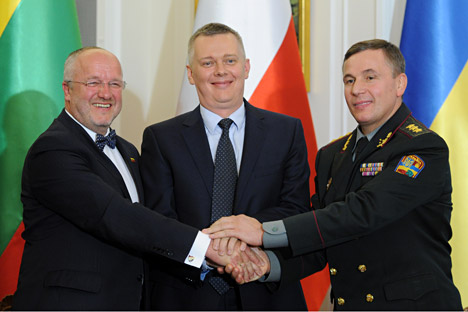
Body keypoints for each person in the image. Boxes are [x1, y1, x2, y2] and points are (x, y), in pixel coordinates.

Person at [206, 39, 463, 310]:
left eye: (370, 77)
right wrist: (269, 265)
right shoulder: (332, 155)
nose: (357, 89)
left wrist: (264, 232)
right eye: (349, 80)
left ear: (400, 84)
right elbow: (320, 240)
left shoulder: (422, 147)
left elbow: (364, 211)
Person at [12, 47, 259, 311]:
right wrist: (205, 246)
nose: (105, 93)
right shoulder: (52, 150)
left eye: (115, 84)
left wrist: (208, 257)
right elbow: (113, 214)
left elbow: (149, 224)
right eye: (93, 82)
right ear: (67, 90)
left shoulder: (127, 151)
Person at [140, 23, 310, 310]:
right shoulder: (161, 138)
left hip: (267, 292)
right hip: (188, 294)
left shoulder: (287, 131)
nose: (220, 71)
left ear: (245, 67)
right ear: (191, 74)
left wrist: (243, 235)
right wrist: (212, 252)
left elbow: (296, 208)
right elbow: (160, 219)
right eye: (208, 63)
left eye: (229, 61)